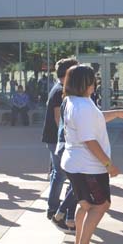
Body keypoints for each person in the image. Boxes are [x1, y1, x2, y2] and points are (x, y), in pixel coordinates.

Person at [61, 65, 123, 244]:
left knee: (85, 205)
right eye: (92, 79)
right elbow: (89, 140)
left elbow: (95, 119)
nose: (95, 83)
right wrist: (108, 164)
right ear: (84, 83)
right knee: (101, 205)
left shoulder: (73, 101)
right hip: (88, 166)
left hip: (75, 163)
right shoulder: (82, 106)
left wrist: (116, 113)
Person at [43, 58, 78, 221]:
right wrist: (66, 139)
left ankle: (55, 207)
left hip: (55, 139)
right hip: (55, 139)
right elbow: (59, 119)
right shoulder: (59, 91)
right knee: (60, 174)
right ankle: (53, 208)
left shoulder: (60, 89)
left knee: (58, 173)